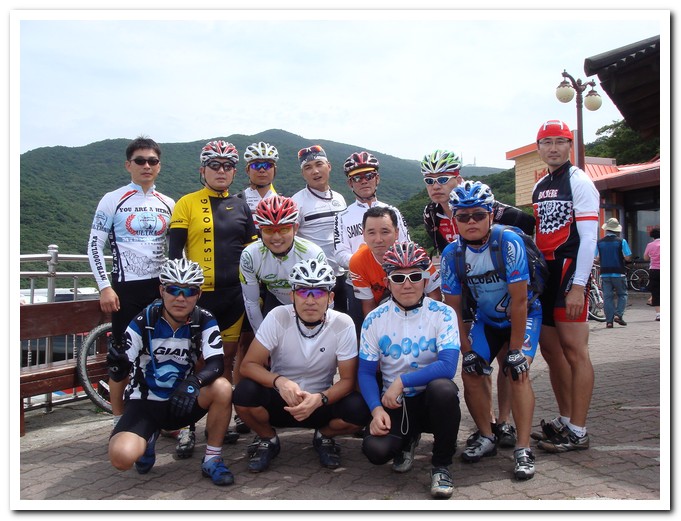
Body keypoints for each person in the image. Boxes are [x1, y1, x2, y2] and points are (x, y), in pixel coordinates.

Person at [421, 149, 535, 450]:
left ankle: (505, 423)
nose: (436, 185)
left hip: (509, 292)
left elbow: (529, 225)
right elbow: (444, 257)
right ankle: (487, 426)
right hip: (469, 288)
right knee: (474, 365)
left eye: (442, 179)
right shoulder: (431, 214)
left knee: (511, 362)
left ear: (457, 179)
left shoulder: (502, 221)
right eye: (429, 180)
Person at [440, 181, 541, 480]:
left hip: (524, 315)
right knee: (471, 372)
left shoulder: (508, 242)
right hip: (487, 320)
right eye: (463, 216)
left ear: (491, 215)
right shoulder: (452, 254)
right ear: (454, 219)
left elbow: (520, 301)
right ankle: (486, 435)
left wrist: (515, 350)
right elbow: (453, 308)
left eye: (478, 215)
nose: (471, 221)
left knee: (518, 372)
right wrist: (466, 351)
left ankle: (523, 448)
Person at [233, 258, 371, 472]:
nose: (310, 300)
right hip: (281, 400)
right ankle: (268, 438)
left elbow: (347, 380)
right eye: (303, 292)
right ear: (292, 296)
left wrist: (320, 399)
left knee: (359, 409)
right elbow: (248, 365)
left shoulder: (343, 323)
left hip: (320, 402)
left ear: (330, 297)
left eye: (318, 293)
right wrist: (280, 382)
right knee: (244, 392)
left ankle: (324, 436)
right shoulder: (278, 316)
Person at [106, 259, 235, 486]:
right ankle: (148, 438)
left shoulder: (204, 319)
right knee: (121, 458)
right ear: (161, 291)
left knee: (223, 387)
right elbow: (121, 368)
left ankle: (212, 459)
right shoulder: (144, 320)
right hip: (145, 403)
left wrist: (194, 382)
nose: (180, 298)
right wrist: (118, 367)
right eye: (173, 290)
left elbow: (216, 364)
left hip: (182, 400)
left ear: (199, 294)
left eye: (189, 291)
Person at [169, 140, 258, 451]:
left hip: (234, 296)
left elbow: (253, 253)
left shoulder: (242, 205)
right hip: (198, 298)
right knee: (194, 362)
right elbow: (174, 254)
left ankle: (219, 423)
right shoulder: (186, 203)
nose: (222, 170)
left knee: (226, 361)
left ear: (234, 171)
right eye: (215, 165)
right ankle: (186, 426)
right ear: (202, 169)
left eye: (228, 166)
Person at [358, 241, 461, 499]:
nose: (407, 284)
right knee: (375, 452)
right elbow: (366, 373)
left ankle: (441, 465)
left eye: (415, 276)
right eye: (398, 278)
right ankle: (408, 439)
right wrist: (376, 409)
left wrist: (402, 381)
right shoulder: (374, 319)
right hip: (395, 404)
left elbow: (448, 366)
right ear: (387, 282)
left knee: (444, 390)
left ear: (425, 280)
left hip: (430, 400)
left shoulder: (443, 313)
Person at [87, 136, 175, 424]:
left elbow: (176, 248)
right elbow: (94, 245)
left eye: (152, 161)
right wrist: (105, 286)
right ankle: (118, 419)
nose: (146, 165)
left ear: (159, 166)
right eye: (140, 161)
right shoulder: (113, 199)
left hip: (160, 288)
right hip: (125, 288)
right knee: (121, 357)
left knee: (159, 353)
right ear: (129, 165)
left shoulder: (168, 203)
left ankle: (160, 416)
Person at [530, 119, 600, 453]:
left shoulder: (580, 181)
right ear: (539, 148)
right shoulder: (539, 185)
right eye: (547, 142)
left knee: (574, 350)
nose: (553, 148)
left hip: (571, 269)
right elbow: (538, 233)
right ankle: (566, 417)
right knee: (550, 350)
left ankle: (579, 430)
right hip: (547, 273)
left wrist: (578, 286)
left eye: (560, 141)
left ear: (570, 145)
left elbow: (589, 239)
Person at [333, 151, 410, 334]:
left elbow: (406, 245)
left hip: (392, 279)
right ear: (350, 183)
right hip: (358, 283)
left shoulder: (392, 211)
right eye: (357, 178)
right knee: (362, 332)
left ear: (377, 179)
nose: (364, 181)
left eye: (369, 176)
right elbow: (339, 253)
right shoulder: (342, 216)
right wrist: (363, 263)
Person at [239, 195, 327, 333]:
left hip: (309, 304)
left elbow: (324, 299)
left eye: (284, 229)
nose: (276, 237)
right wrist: (261, 336)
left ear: (295, 228)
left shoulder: (312, 254)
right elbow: (252, 302)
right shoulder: (250, 256)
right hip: (276, 301)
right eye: (269, 230)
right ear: (260, 231)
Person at [349, 206, 441, 318]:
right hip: (384, 314)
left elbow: (433, 293)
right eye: (371, 233)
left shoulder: (415, 255)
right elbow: (368, 305)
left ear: (396, 233)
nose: (378, 239)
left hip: (420, 310)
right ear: (364, 235)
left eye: (385, 232)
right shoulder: (358, 262)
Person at [291, 145, 348, 312]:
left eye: (319, 164)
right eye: (308, 167)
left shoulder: (339, 198)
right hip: (313, 279)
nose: (315, 171)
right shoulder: (296, 202)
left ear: (328, 166)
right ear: (303, 173)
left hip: (340, 275)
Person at [595, 217, 633, 328]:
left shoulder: (599, 242)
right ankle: (618, 314)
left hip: (604, 273)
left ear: (607, 229)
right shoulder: (621, 241)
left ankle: (609, 321)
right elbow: (627, 257)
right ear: (616, 230)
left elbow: (596, 259)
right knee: (622, 294)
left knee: (607, 297)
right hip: (619, 272)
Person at [240, 141, 280, 228]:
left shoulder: (282, 202)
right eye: (256, 165)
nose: (262, 170)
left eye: (268, 165)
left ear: (275, 170)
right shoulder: (237, 202)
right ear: (247, 170)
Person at [643, 227, 660, 321]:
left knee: (656, 292)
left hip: (654, 270)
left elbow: (645, 258)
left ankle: (658, 314)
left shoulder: (650, 245)